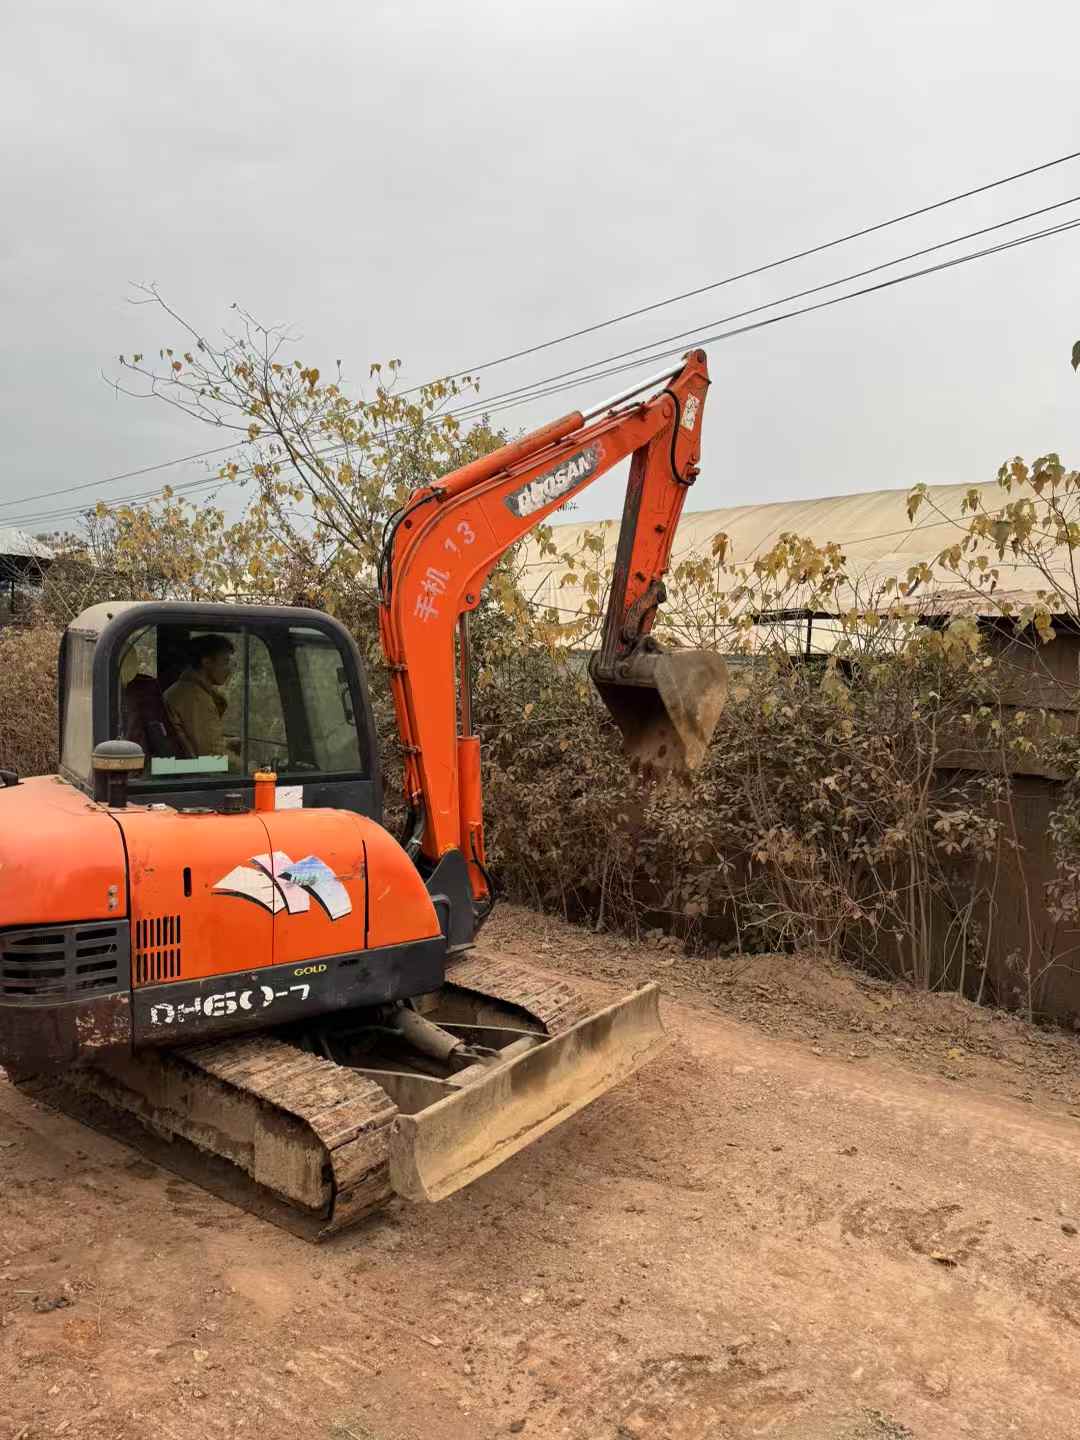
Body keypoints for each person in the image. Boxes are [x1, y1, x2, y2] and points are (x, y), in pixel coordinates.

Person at [164, 634, 235, 759]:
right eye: (225, 662)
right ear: (206, 662)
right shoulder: (195, 698)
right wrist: (249, 769)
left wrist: (228, 743)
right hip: (195, 773)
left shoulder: (183, 689)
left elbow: (199, 740)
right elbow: (213, 756)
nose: (229, 670)